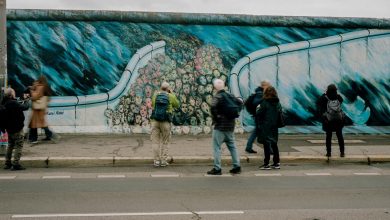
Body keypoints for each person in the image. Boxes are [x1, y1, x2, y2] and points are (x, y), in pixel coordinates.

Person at [207, 79, 243, 175]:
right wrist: (236, 114)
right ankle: (237, 166)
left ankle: (217, 168)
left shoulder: (217, 96)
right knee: (232, 146)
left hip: (220, 127)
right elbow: (240, 103)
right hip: (230, 126)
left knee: (217, 147)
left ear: (215, 88)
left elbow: (212, 107)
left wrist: (217, 117)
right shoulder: (230, 95)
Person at [150, 82, 179, 167]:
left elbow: (153, 104)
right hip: (166, 121)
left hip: (155, 120)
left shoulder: (155, 95)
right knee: (165, 141)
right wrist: (172, 93)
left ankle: (156, 161)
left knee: (155, 142)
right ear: (168, 88)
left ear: (161, 87)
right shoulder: (170, 96)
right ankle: (163, 160)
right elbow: (177, 104)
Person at [1, 88, 30, 170]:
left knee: (10, 146)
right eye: (13, 92)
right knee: (19, 146)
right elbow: (25, 107)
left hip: (9, 129)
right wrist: (27, 99)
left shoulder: (4, 102)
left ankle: (7, 163)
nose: (15, 93)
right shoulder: (13, 103)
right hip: (17, 128)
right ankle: (16, 164)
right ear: (11, 95)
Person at [256, 86, 281, 170]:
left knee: (266, 145)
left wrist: (257, 108)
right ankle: (276, 163)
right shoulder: (277, 102)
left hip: (265, 126)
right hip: (274, 126)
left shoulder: (264, 103)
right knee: (274, 144)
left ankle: (266, 164)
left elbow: (258, 113)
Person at [316, 84, 345, 157]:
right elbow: (342, 100)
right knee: (339, 136)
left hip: (328, 120)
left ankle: (329, 153)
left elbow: (318, 102)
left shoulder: (325, 98)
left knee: (328, 137)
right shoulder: (338, 97)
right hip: (338, 120)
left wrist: (324, 94)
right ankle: (342, 152)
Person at [245, 80, 270, 154]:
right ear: (264, 86)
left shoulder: (260, 93)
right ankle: (270, 150)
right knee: (266, 132)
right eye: (267, 85)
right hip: (260, 117)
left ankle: (248, 147)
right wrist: (264, 99)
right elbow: (256, 102)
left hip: (259, 116)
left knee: (256, 132)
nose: (269, 87)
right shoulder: (260, 93)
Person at [28, 76, 53, 144]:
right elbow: (48, 98)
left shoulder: (40, 87)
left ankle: (34, 138)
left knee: (35, 124)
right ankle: (49, 135)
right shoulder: (45, 86)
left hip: (37, 108)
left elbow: (35, 96)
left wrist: (32, 91)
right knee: (40, 123)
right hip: (41, 108)